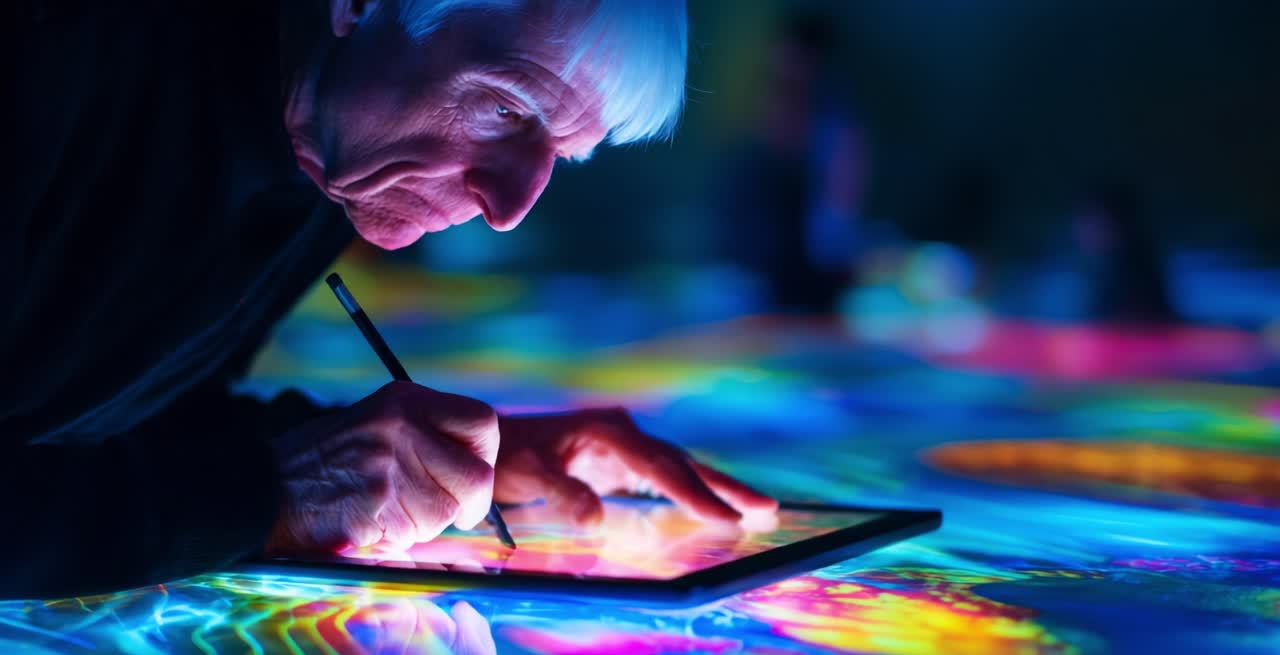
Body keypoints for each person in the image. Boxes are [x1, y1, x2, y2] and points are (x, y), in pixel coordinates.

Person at [3, 0, 776, 599]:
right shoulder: (49, 50)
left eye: (562, 158)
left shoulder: (330, 154)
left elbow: (99, 416)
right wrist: (264, 498)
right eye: (506, 108)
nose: (511, 207)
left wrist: (426, 462)